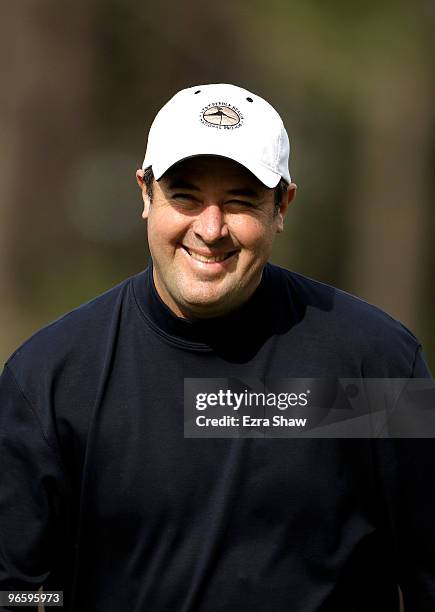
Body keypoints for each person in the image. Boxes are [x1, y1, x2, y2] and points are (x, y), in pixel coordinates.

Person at [0, 83, 433, 612]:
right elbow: (19, 588)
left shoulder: (378, 367)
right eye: (185, 196)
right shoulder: (49, 380)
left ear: (283, 205)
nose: (210, 228)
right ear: (144, 193)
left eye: (240, 200)